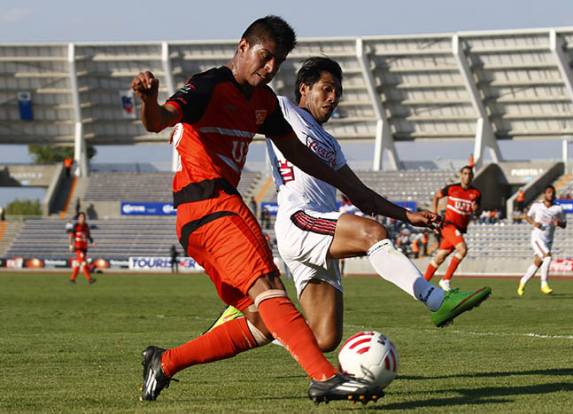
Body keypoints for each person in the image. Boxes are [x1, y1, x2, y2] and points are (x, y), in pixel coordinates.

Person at [131, 16, 385, 405]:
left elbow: (299, 153)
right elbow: (159, 121)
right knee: (269, 289)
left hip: (196, 222)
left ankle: (165, 362)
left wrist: (355, 190)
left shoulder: (263, 103)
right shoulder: (208, 86)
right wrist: (148, 100)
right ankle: (324, 376)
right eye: (264, 57)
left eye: (276, 63)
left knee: (263, 321)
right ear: (243, 46)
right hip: (213, 205)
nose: (268, 69)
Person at [210, 57, 491, 356]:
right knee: (373, 233)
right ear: (304, 88)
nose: (333, 98)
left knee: (323, 339)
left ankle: (251, 316)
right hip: (300, 219)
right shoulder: (283, 108)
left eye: (337, 93)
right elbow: (238, 104)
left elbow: (360, 194)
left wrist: (407, 215)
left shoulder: (331, 145)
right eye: (327, 89)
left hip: (322, 228)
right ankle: (435, 299)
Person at [424, 166, 481, 291]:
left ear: (472, 176)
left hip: (459, 229)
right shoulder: (452, 188)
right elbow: (437, 196)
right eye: (465, 173)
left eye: (469, 174)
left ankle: (421, 285)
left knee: (440, 257)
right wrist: (434, 213)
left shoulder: (476, 193)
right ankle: (446, 279)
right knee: (462, 249)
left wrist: (476, 210)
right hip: (448, 225)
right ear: (461, 175)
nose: (467, 176)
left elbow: (476, 212)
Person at [517, 185, 567, 296]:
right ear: (545, 194)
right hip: (537, 237)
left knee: (537, 263)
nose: (551, 194)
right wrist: (533, 223)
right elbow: (527, 216)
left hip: (548, 240)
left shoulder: (558, 208)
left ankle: (523, 281)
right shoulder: (537, 206)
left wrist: (559, 223)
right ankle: (544, 284)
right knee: (548, 257)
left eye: (552, 192)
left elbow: (564, 224)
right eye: (549, 192)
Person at [68, 212, 96, 284]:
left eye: (83, 217)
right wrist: (71, 244)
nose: (82, 218)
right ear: (78, 218)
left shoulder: (86, 226)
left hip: (84, 247)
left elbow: (88, 235)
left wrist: (92, 242)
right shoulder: (76, 226)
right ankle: (89, 279)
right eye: (80, 217)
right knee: (83, 263)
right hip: (78, 247)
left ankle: (72, 279)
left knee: (78, 264)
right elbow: (72, 236)